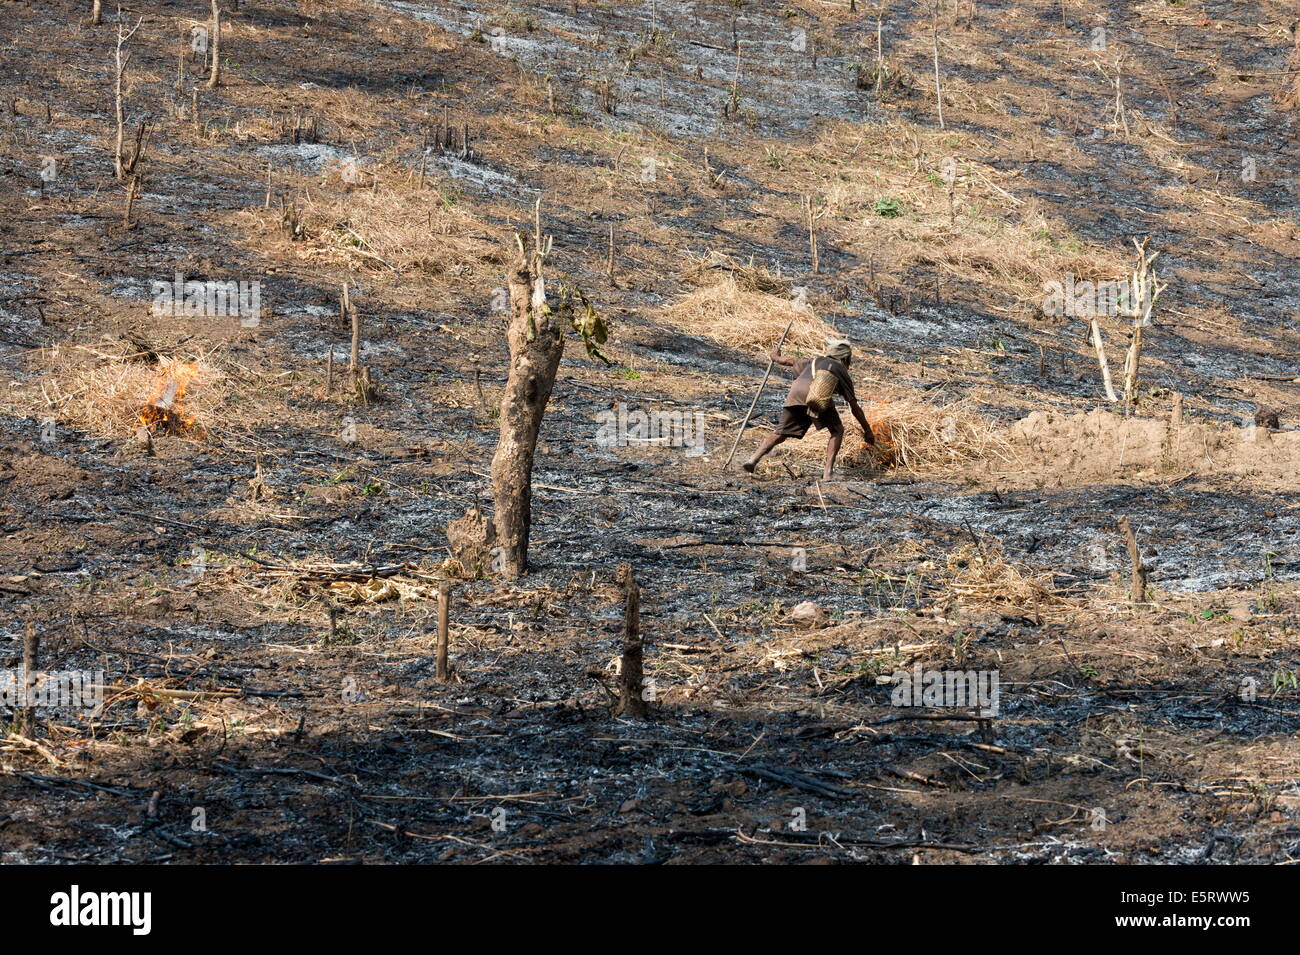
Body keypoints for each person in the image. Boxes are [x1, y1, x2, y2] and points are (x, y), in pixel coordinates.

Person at [742, 339, 874, 481]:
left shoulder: (814, 361)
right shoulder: (839, 369)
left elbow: (788, 361)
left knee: (780, 433)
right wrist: (867, 430)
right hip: (816, 396)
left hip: (795, 393)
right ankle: (828, 473)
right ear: (845, 357)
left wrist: (774, 356)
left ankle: (753, 459)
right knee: (837, 430)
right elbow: (855, 407)